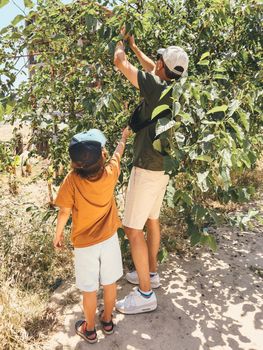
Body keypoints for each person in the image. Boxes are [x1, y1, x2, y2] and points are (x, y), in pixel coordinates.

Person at [114, 34, 189, 314]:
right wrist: (135, 46)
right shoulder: (173, 89)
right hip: (163, 168)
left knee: (133, 228)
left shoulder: (156, 87)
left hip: (146, 166)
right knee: (152, 220)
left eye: (157, 61)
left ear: (161, 65)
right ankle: (152, 274)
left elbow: (120, 63)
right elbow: (149, 69)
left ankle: (145, 294)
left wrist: (120, 41)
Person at [53, 127, 131, 343]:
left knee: (89, 290)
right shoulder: (110, 173)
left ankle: (88, 329)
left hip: (85, 244)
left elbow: (64, 211)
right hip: (109, 239)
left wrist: (57, 236)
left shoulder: (72, 180)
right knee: (110, 284)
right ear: (101, 156)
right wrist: (123, 137)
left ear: (75, 163)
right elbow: (118, 154)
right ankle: (107, 320)